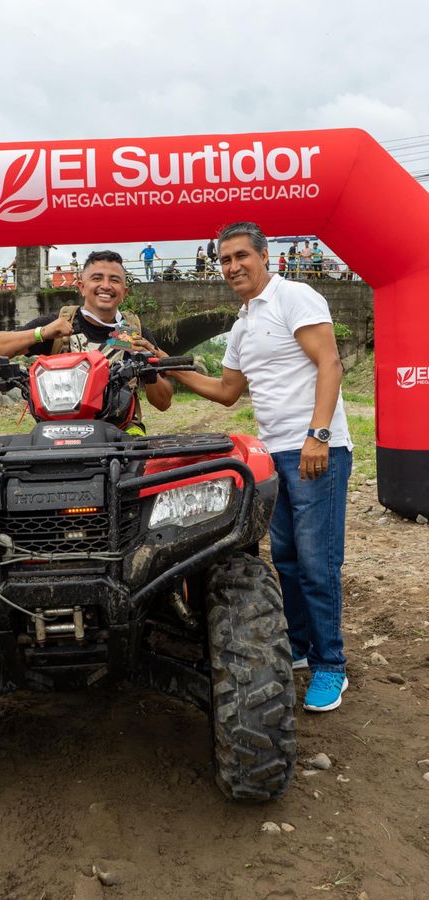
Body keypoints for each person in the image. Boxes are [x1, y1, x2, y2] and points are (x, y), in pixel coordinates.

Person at [166, 221, 352, 713]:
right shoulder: (243, 324)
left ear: (264, 256)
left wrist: (318, 435)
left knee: (318, 562)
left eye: (241, 256)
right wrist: (167, 364)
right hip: (274, 455)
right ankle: (299, 647)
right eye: (224, 260)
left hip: (316, 449)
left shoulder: (295, 297)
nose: (232, 267)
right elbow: (227, 391)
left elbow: (330, 363)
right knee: (286, 557)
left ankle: (331, 665)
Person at [0, 250, 173, 435]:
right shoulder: (61, 324)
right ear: (81, 286)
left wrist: (148, 370)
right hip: (60, 430)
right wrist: (42, 333)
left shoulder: (132, 333)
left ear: (124, 291)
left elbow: (163, 403)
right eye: (97, 278)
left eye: (114, 280)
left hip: (121, 431)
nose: (106, 285)